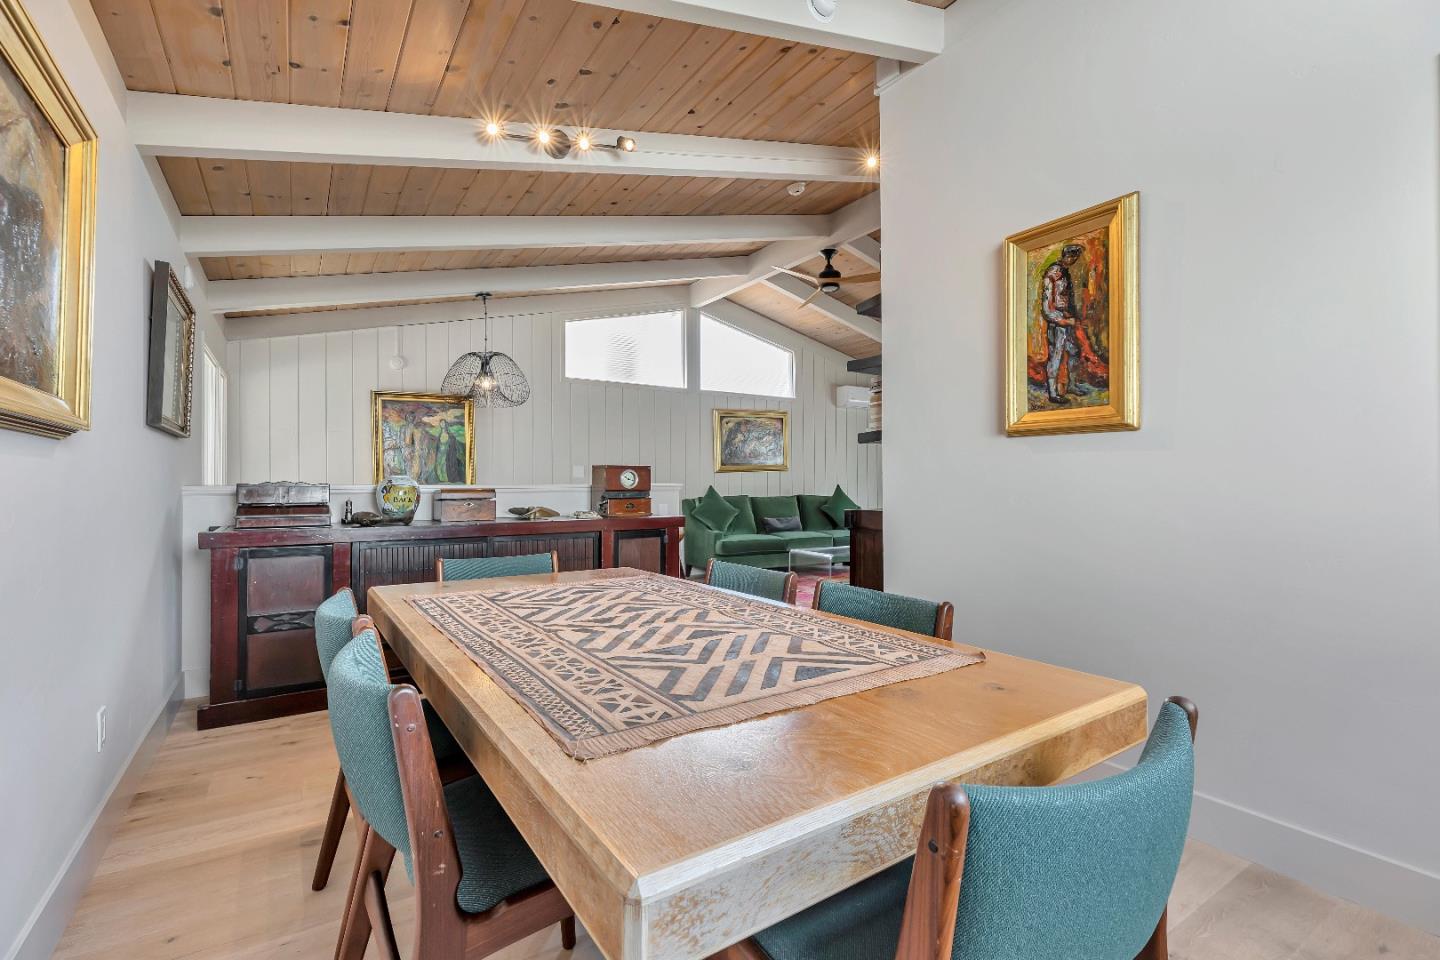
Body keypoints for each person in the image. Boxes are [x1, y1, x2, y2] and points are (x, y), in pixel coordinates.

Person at [1040, 243, 1085, 403]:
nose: (1074, 260)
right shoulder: (1053, 272)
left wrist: (1070, 315)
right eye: (1072, 257)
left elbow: (1063, 297)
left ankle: (1071, 385)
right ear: (1067, 256)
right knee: (1056, 355)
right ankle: (1053, 393)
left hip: (1066, 317)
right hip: (1056, 320)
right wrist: (1062, 320)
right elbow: (1047, 307)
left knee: (1074, 351)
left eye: (1076, 258)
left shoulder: (1065, 272)